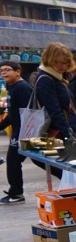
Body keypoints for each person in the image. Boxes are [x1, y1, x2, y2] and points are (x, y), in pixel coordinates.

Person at [0, 61, 33, 204]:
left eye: (7, 70)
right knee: (15, 162)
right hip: (18, 131)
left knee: (13, 162)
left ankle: (17, 193)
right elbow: (13, 113)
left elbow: (28, 113)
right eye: (1, 71)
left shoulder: (22, 88)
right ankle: (16, 192)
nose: (4, 73)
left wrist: (22, 133)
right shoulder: (12, 87)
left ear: (18, 72)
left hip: (24, 132)